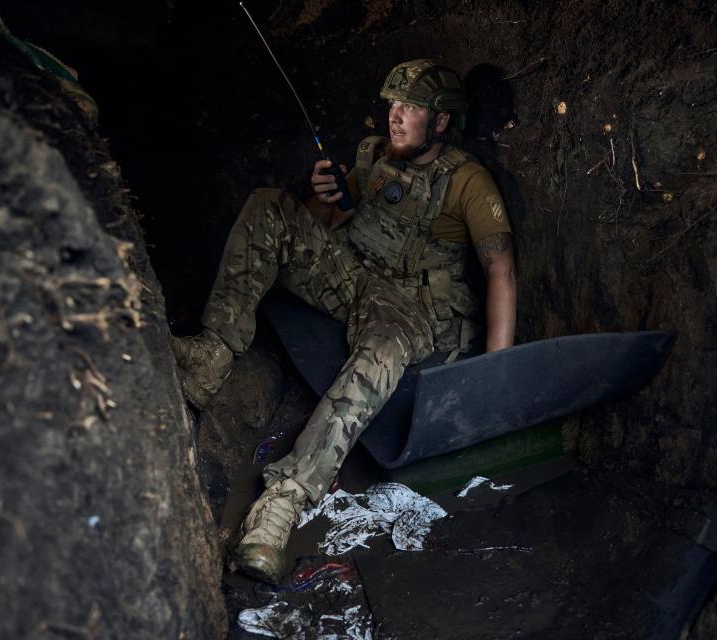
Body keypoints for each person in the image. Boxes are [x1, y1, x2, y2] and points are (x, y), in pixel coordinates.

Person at [170, 59, 517, 583]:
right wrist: (324, 197)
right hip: (351, 273)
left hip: (407, 309)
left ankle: (282, 504)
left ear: (441, 122)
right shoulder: (374, 158)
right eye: (393, 105)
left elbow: (501, 270)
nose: (395, 117)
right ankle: (213, 358)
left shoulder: (469, 182)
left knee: (378, 358)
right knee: (269, 205)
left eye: (411, 109)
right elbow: (325, 221)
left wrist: (496, 373)